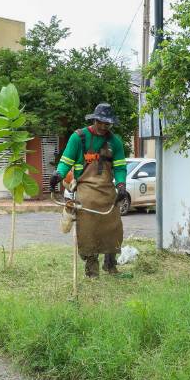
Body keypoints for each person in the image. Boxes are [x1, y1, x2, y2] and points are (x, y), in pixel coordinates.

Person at [50, 103, 129, 277]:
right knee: (88, 231)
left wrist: (122, 186)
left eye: (107, 123)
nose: (103, 126)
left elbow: (121, 168)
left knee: (114, 228)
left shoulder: (115, 142)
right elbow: (66, 161)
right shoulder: (78, 138)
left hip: (108, 191)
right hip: (85, 190)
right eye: (100, 122)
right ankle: (91, 269)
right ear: (94, 119)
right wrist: (58, 173)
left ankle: (110, 264)